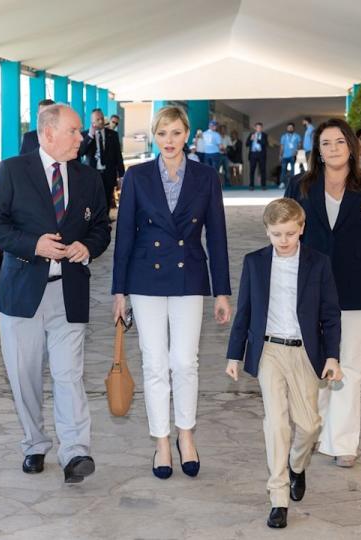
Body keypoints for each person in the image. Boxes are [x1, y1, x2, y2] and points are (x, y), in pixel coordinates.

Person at [0, 103, 112, 483]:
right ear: (48, 133)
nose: (81, 138)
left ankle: (75, 453)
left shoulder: (88, 178)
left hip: (67, 291)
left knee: (69, 374)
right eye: (73, 131)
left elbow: (101, 228)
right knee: (23, 376)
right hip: (22, 293)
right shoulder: (12, 171)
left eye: (80, 131)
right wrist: (32, 245)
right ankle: (35, 444)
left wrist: (88, 247)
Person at [111, 105, 232, 480]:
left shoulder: (206, 177)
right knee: (154, 362)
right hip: (145, 278)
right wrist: (119, 291)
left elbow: (218, 234)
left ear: (187, 135)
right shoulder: (137, 176)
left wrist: (222, 291)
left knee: (184, 361)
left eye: (176, 133)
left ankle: (186, 435)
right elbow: (125, 234)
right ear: (154, 136)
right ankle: (162, 442)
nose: (169, 141)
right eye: (162, 133)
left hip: (189, 276)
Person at [284, 118, 361, 468]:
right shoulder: (299, 187)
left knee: (349, 363)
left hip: (358, 286)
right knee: (315, 362)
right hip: (311, 287)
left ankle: (343, 442)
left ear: (351, 145)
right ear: (317, 150)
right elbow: (286, 237)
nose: (333, 149)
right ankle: (316, 433)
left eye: (338, 142)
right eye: (325, 143)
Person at [225, 198, 343, 529]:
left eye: (290, 233)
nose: (284, 241)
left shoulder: (318, 263)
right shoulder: (254, 263)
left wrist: (332, 356)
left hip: (306, 352)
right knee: (275, 424)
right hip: (269, 352)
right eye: (277, 234)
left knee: (309, 425)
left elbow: (330, 314)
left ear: (302, 229)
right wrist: (235, 354)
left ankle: (297, 464)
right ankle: (278, 498)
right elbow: (244, 310)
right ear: (267, 232)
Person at [82, 108, 125, 212]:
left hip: (108, 174)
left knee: (106, 201)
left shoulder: (113, 135)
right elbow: (80, 152)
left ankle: (105, 225)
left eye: (102, 118)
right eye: (97, 119)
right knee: (92, 202)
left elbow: (118, 156)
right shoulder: (85, 135)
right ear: (92, 121)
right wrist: (90, 136)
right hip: (92, 174)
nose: (101, 121)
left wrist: (121, 176)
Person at [201, 120, 228, 185]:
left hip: (206, 154)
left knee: (207, 170)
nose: (216, 127)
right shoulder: (216, 134)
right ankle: (214, 185)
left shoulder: (204, 134)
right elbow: (220, 146)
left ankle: (208, 185)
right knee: (215, 170)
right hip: (215, 154)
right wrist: (224, 151)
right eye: (215, 126)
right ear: (213, 126)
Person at [246, 122, 269, 190]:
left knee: (262, 170)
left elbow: (266, 144)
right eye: (257, 127)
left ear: (262, 128)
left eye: (260, 127)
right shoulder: (251, 134)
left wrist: (258, 139)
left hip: (261, 154)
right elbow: (246, 144)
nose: (259, 129)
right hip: (253, 154)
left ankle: (263, 185)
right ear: (255, 128)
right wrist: (251, 139)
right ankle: (251, 185)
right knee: (252, 170)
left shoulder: (264, 135)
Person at [279, 123, 301, 189]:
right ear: (287, 128)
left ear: (294, 128)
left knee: (293, 170)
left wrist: (296, 151)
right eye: (289, 127)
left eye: (291, 127)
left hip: (293, 155)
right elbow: (282, 146)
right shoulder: (284, 136)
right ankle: (282, 183)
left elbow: (300, 145)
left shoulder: (297, 136)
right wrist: (280, 155)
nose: (290, 129)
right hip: (285, 156)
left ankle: (291, 184)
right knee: (283, 170)